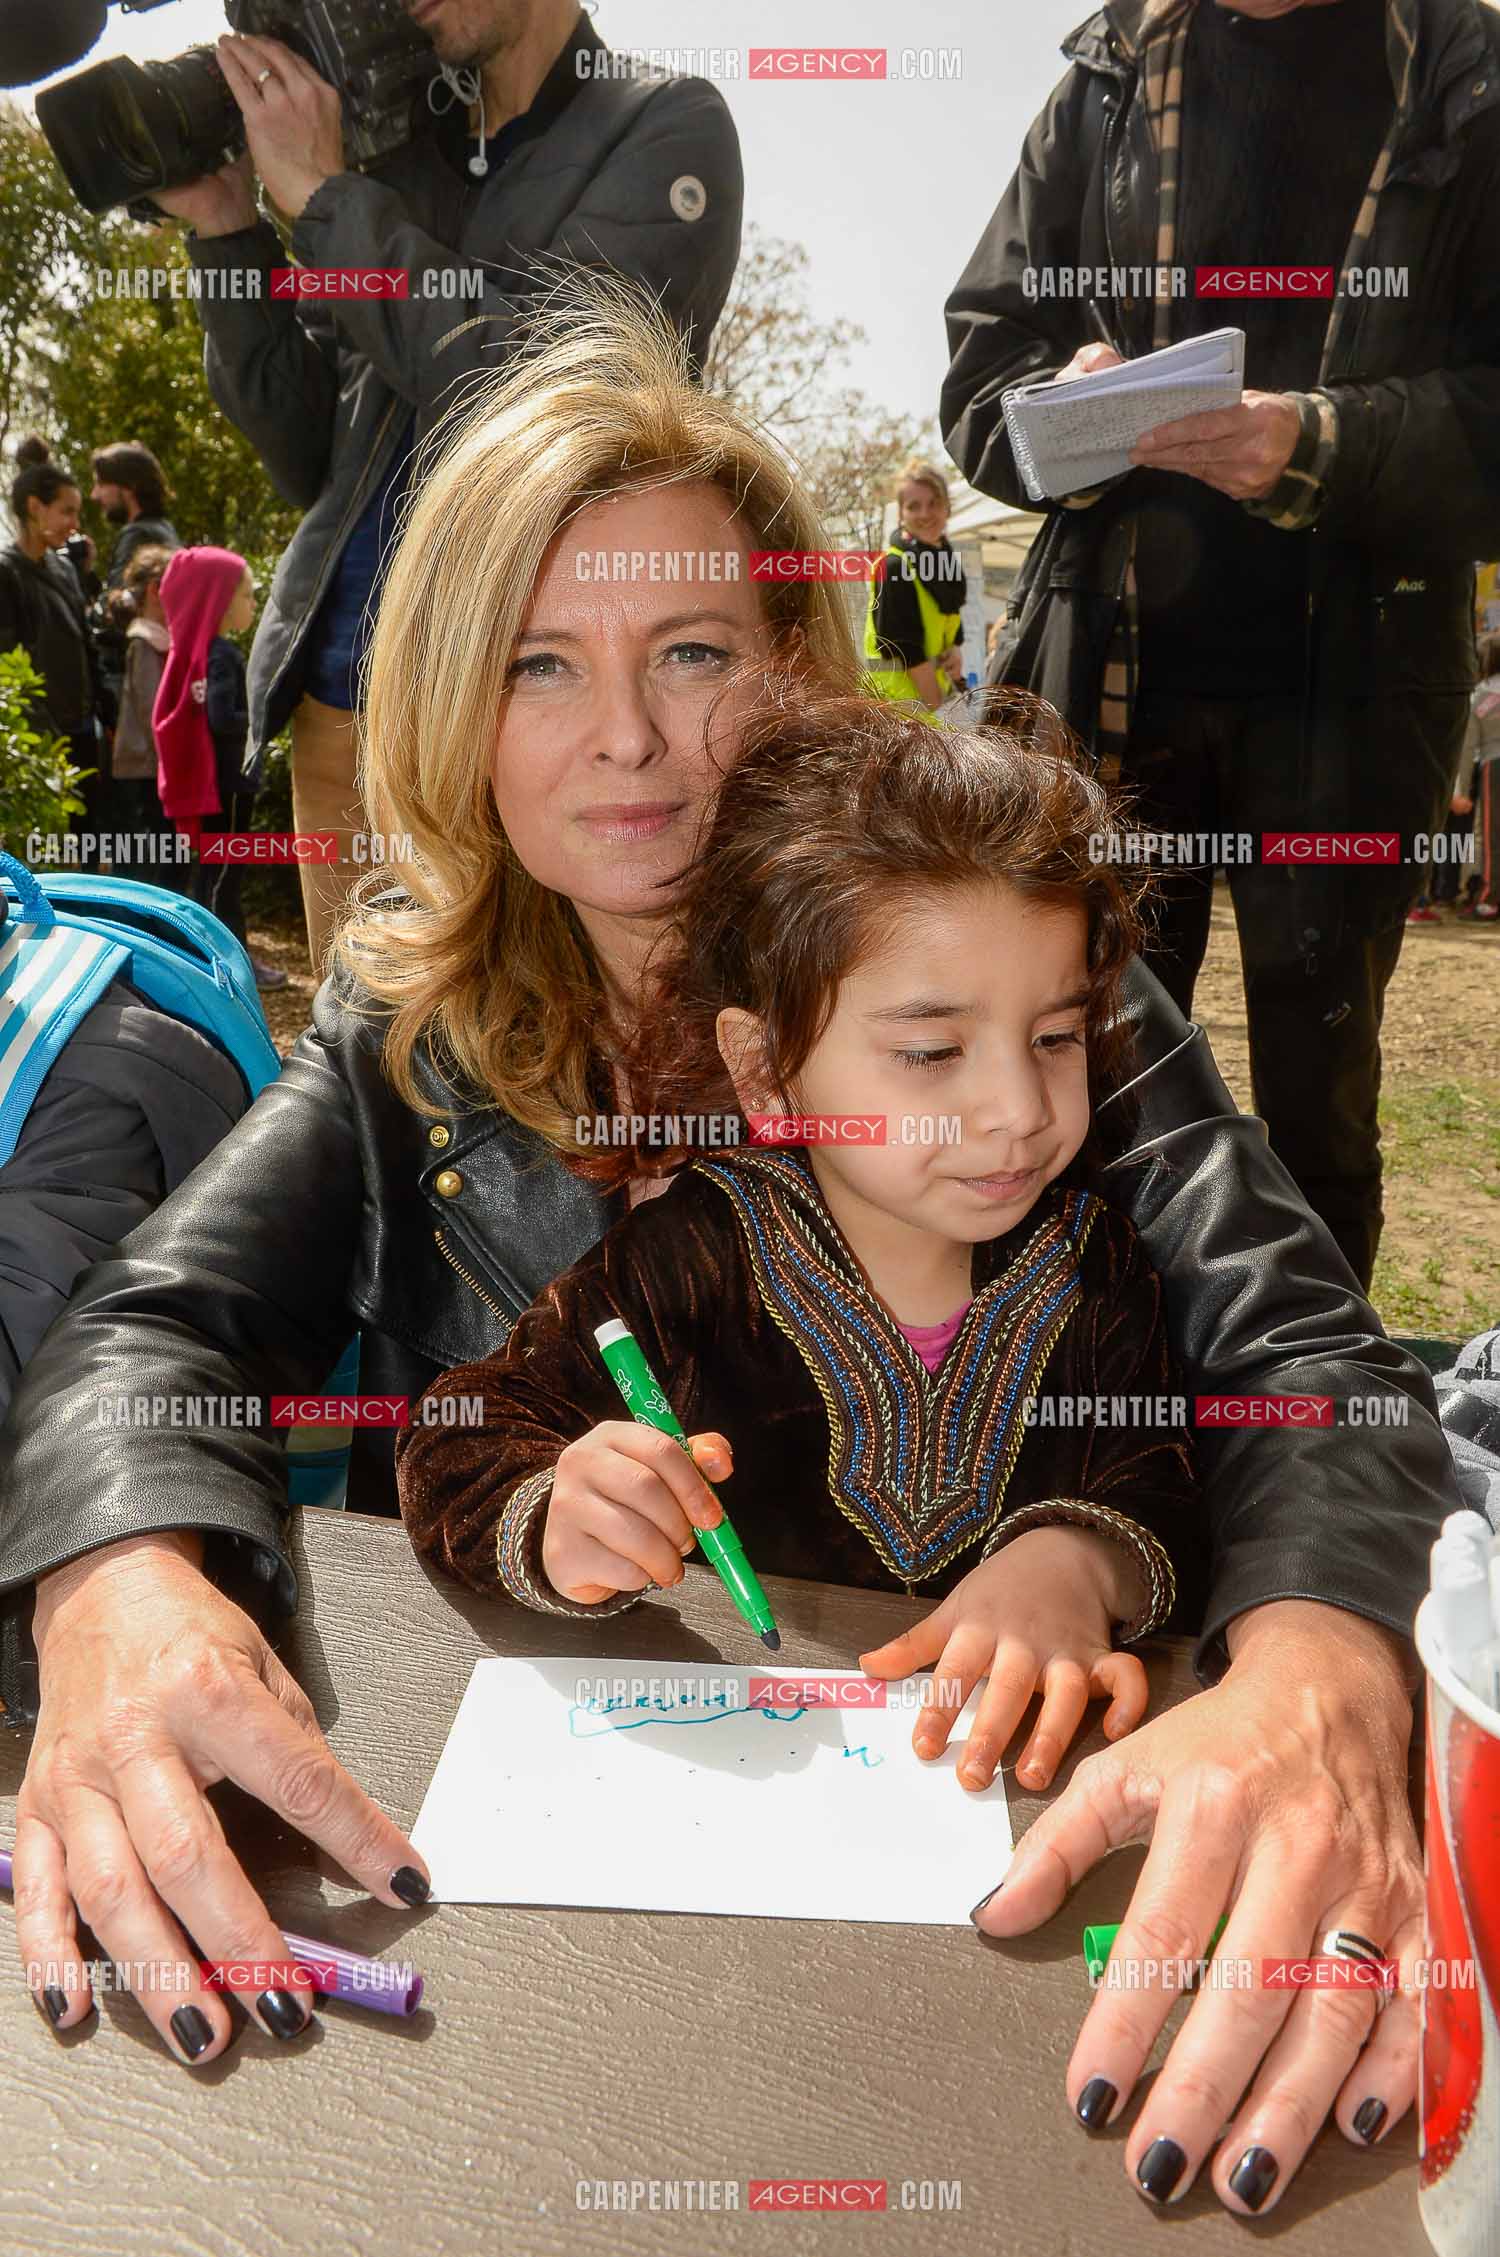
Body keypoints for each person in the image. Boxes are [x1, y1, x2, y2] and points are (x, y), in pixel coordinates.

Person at [0, 297, 1458, 2224]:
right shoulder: (400, 1035)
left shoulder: (1003, 969)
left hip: (1006, 1879)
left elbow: (1306, 1342)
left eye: (691, 650)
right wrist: (111, 1585)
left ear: (793, 672)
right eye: (538, 663)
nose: (626, 736)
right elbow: (148, 1328)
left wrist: (1324, 1660)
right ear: (449, 709)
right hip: (543, 1946)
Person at [397, 692, 1207, 1794]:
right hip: (730, 1781)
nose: (1019, 1108)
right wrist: (558, 1510)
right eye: (932, 1052)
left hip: (1011, 1796)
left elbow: (1168, 1480)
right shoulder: (688, 1259)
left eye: (1056, 1036)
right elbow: (459, 1434)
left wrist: (1082, 1558)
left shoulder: (1094, 1265)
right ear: (767, 1069)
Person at [941, 0, 1500, 1292]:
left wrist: (1322, 444)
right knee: (1090, 1100)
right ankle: (1097, 1392)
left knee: (1320, 1118)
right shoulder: (1104, 78)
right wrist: (1056, 407)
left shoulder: (1462, 79)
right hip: (1112, 689)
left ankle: (1313, 1407)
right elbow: (979, 376)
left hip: (1357, 697)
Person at [151, 0, 743, 977]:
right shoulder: (395, 166)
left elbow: (546, 401)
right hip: (340, 704)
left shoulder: (662, 123)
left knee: (521, 1043)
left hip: (511, 714)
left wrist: (329, 200)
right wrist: (227, 232)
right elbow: (304, 452)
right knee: (358, 1044)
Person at [152, 548, 287, 990]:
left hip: (219, 785)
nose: (254, 603)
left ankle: (209, 956)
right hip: (231, 784)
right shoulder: (222, 654)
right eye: (247, 595)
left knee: (214, 875)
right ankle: (228, 962)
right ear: (221, 603)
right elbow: (221, 717)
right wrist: (263, 717)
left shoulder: (203, 652)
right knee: (223, 878)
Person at [0, 438, 103, 841]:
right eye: (67, 511)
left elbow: (85, 643)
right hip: (41, 740)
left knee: (89, 837)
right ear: (34, 507)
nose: (74, 523)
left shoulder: (65, 569)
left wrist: (103, 712)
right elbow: (9, 661)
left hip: (83, 729)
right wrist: (45, 732)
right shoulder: (7, 573)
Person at [101, 545, 183, 886]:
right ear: (154, 590)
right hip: (144, 767)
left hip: (151, 765)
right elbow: (152, 710)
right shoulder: (144, 642)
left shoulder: (157, 639)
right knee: (147, 856)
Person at [863, 459, 968, 716]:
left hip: (928, 709)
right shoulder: (894, 566)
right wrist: (941, 713)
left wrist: (954, 651)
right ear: (901, 514)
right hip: (899, 714)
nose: (924, 514)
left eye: (934, 503)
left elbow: (949, 627)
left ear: (947, 507)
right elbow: (906, 650)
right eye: (913, 506)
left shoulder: (946, 564)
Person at [89, 442, 180, 591]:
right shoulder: (165, 528)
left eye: (101, 484)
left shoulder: (137, 535)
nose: (94, 495)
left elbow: (118, 601)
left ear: (130, 485)